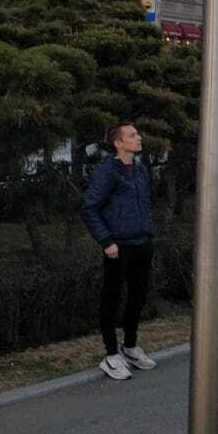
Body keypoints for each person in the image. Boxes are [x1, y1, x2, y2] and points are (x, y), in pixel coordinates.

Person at [81, 122, 157, 380]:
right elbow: (90, 208)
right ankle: (111, 355)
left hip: (142, 242)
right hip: (117, 246)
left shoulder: (140, 168)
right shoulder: (107, 171)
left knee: (138, 296)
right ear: (118, 142)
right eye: (132, 135)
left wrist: (147, 232)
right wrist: (106, 241)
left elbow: (145, 202)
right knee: (111, 298)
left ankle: (130, 347)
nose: (139, 138)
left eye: (137, 134)